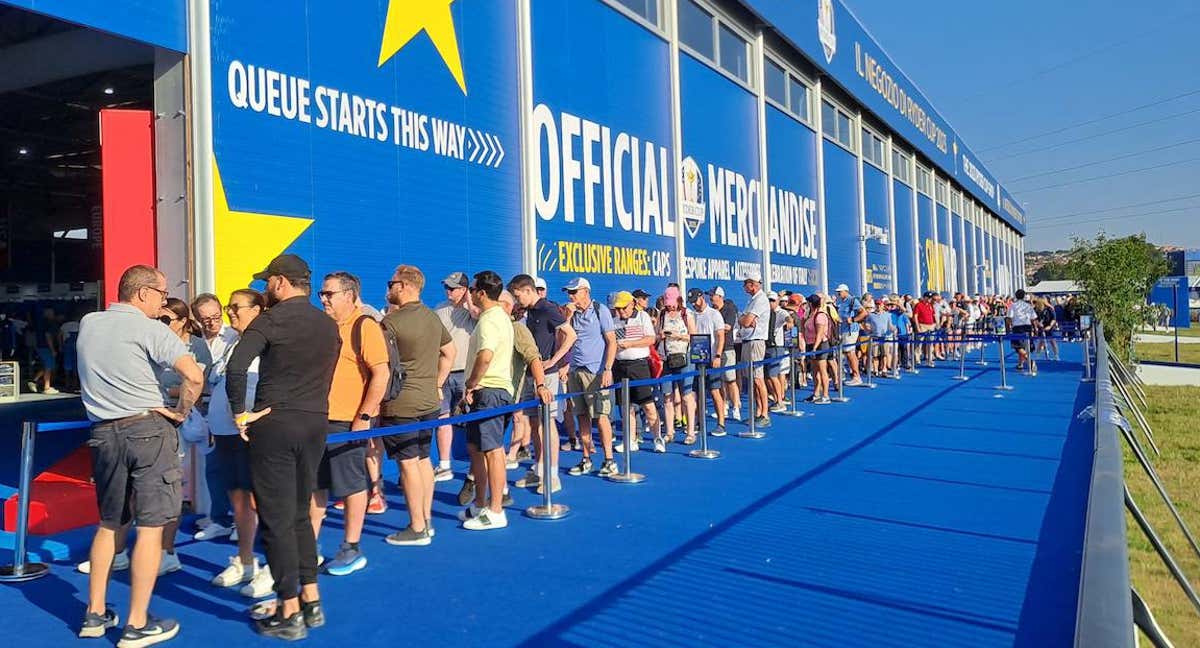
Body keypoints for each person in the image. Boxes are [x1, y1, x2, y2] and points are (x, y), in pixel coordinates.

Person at [77, 265, 203, 647]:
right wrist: (181, 411)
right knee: (150, 525)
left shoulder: (89, 323)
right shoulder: (152, 330)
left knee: (110, 521)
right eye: (162, 295)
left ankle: (95, 614)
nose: (164, 303)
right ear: (144, 293)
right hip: (147, 430)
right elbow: (193, 375)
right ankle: (136, 622)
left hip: (102, 433)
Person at [225, 254, 340, 640]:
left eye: (266, 283)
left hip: (275, 423)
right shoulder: (328, 324)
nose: (263, 289)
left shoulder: (269, 320)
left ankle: (288, 609)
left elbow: (236, 366)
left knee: (275, 518)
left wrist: (240, 413)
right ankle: (312, 598)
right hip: (314, 422)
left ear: (279, 283)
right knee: (299, 513)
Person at [311, 272, 390, 576]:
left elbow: (379, 374)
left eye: (329, 293)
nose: (323, 299)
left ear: (349, 294)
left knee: (351, 485)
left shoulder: (364, 325)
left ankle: (351, 546)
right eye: (322, 293)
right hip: (317, 419)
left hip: (347, 421)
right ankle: (310, 546)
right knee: (314, 485)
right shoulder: (326, 327)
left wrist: (364, 416)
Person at [379, 265, 455, 547]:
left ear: (405, 286)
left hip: (402, 404)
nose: (388, 289)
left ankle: (417, 527)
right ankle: (426, 521)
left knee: (408, 464)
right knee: (423, 460)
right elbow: (450, 352)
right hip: (428, 401)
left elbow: (379, 364)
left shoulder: (391, 323)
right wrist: (437, 382)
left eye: (392, 283)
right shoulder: (432, 317)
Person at [206, 289, 274, 598]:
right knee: (239, 500)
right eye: (228, 307)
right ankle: (246, 562)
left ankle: (276, 567)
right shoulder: (234, 344)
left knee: (267, 502)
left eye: (236, 307)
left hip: (252, 435)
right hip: (225, 434)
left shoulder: (267, 345)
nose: (230, 312)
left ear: (257, 309)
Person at [157, 298, 215, 573]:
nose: (162, 324)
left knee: (193, 470)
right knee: (168, 474)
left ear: (182, 320)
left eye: (167, 319)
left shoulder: (197, 344)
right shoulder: (154, 339)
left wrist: (173, 393)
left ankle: (204, 514)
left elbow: (200, 379)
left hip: (189, 414)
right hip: (160, 414)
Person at [456, 271, 515, 530]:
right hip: (488, 391)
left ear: (481, 293)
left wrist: (471, 383)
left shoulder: (491, 320)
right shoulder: (496, 317)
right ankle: (480, 504)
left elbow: (486, 355)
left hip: (489, 390)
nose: (469, 294)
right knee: (478, 450)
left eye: (472, 290)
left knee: (492, 451)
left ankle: (495, 510)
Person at [507, 275, 574, 493]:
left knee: (548, 423)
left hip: (548, 375)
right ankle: (539, 470)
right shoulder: (528, 312)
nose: (517, 300)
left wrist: (555, 360)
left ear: (527, 290)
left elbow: (570, 335)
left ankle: (553, 476)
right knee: (534, 424)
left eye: (518, 296)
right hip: (529, 374)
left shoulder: (548, 308)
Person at [192, 293, 243, 542]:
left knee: (238, 470)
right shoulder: (194, 341)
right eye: (205, 319)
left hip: (230, 411)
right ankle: (220, 518)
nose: (212, 322)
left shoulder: (234, 337)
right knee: (212, 468)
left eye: (215, 316)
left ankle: (240, 520)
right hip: (205, 411)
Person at [562, 277, 618, 477]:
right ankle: (586, 458)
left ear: (585, 291)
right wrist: (567, 318)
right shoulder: (571, 313)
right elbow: (565, 340)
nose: (571, 296)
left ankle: (609, 460)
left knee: (601, 417)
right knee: (582, 416)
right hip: (575, 370)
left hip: (596, 371)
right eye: (569, 292)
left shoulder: (600, 309)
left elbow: (612, 341)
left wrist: (608, 369)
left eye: (574, 292)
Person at [434, 271, 479, 492]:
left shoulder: (473, 311)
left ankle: (475, 466)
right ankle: (444, 465)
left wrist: (469, 300)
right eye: (447, 288)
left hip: (466, 374)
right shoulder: (439, 309)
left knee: (470, 420)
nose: (449, 292)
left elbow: (478, 316)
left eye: (453, 288)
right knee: (442, 419)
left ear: (464, 290)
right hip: (443, 372)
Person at [610, 291, 664, 452]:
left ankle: (657, 438)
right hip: (620, 366)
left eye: (623, 308)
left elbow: (650, 339)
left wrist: (630, 344)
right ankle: (630, 440)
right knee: (626, 407)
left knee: (648, 405)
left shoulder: (643, 317)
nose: (620, 312)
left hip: (639, 366)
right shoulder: (614, 321)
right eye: (618, 309)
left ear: (632, 304)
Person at [659, 286, 698, 443]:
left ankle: (690, 432)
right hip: (667, 358)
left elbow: (694, 336)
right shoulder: (663, 314)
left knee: (686, 395)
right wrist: (661, 335)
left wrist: (678, 336)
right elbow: (657, 334)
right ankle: (669, 432)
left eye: (672, 303)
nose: (670, 306)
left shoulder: (686, 314)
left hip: (684, 357)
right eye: (668, 303)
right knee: (667, 395)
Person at [690, 288, 728, 436]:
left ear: (702, 297)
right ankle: (699, 422)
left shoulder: (714, 314)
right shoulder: (691, 315)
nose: (694, 304)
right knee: (698, 392)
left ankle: (721, 423)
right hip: (697, 358)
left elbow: (720, 336)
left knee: (714, 390)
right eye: (692, 302)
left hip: (712, 358)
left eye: (695, 301)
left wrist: (717, 356)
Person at [738, 271, 771, 427]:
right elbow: (743, 320)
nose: (744, 286)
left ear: (753, 284)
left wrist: (745, 319)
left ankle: (765, 413)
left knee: (758, 378)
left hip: (755, 341)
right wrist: (744, 319)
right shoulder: (752, 300)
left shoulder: (761, 300)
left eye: (746, 283)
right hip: (748, 340)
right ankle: (758, 412)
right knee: (751, 379)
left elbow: (746, 321)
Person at [707, 286, 741, 422]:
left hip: (727, 348)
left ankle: (736, 407)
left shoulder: (729, 309)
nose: (710, 298)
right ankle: (724, 406)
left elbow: (728, 327)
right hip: (714, 350)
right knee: (719, 380)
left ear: (720, 296)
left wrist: (717, 329)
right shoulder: (711, 311)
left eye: (712, 295)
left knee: (730, 379)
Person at [802, 293, 832, 404]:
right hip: (811, 344)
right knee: (815, 370)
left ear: (811, 303)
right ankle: (816, 393)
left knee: (822, 370)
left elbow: (820, 334)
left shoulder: (820, 316)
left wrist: (814, 348)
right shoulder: (810, 314)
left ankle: (825, 395)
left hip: (820, 345)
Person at [833, 285, 866, 386]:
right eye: (838, 292)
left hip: (851, 330)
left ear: (846, 291)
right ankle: (854, 375)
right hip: (843, 330)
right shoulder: (841, 302)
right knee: (848, 352)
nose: (838, 293)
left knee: (849, 352)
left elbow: (864, 312)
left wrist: (853, 320)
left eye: (840, 292)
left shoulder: (852, 300)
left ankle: (856, 377)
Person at [863, 297, 897, 377]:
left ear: (882, 305)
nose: (878, 306)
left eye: (880, 304)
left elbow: (890, 326)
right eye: (877, 304)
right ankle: (875, 370)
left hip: (885, 338)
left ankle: (884, 370)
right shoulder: (871, 315)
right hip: (874, 337)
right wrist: (867, 328)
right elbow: (866, 324)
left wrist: (894, 329)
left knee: (884, 355)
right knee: (875, 355)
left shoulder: (888, 315)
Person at [1007, 289, 1038, 372]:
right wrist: (1035, 329)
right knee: (1025, 346)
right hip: (1027, 326)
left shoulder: (1013, 305)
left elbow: (1009, 318)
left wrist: (1008, 328)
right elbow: (1033, 318)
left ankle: (1030, 361)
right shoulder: (1028, 306)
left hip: (1017, 327)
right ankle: (1020, 364)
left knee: (1018, 347)